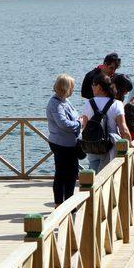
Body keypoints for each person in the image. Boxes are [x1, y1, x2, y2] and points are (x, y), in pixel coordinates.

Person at [81, 74, 132, 172]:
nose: (91, 87)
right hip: (110, 147)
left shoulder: (89, 103)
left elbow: (85, 127)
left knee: (95, 176)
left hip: (93, 146)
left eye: (93, 85)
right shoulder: (117, 104)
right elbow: (123, 129)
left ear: (99, 87)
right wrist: (130, 144)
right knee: (110, 177)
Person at [46, 74, 82, 207]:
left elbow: (75, 116)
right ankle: (60, 203)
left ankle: (68, 202)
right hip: (61, 144)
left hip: (70, 143)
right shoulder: (55, 103)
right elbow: (63, 124)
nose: (73, 90)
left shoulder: (65, 101)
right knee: (62, 174)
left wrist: (78, 121)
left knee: (72, 174)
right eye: (72, 87)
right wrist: (79, 124)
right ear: (65, 88)